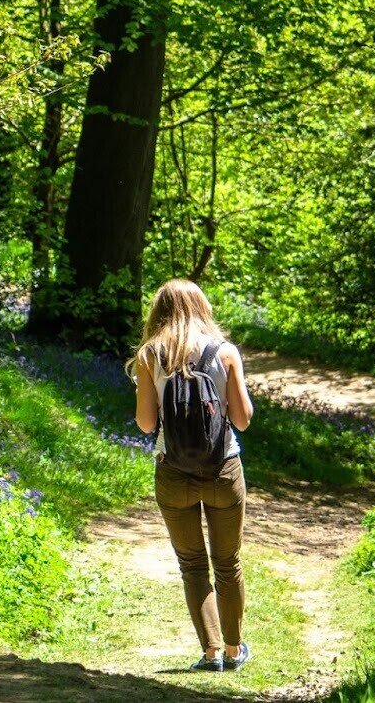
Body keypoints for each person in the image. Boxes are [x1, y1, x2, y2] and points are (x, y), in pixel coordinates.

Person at [130, 279, 256, 672]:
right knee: (228, 563)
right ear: (202, 307)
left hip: (173, 472)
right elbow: (242, 420)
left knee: (192, 564)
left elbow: (146, 423)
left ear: (158, 311)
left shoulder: (150, 355)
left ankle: (211, 652)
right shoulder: (225, 352)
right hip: (223, 469)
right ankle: (234, 650)